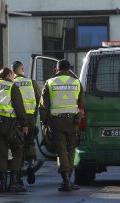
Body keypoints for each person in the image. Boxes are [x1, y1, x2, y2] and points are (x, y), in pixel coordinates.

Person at [39, 59, 84, 191]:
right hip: (73, 122)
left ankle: (65, 179)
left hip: (56, 122)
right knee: (71, 150)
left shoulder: (50, 82)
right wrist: (78, 120)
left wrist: (45, 122)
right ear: (69, 68)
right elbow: (81, 105)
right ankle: (69, 178)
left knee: (61, 151)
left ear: (57, 69)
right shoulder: (77, 82)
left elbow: (43, 106)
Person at [0, 67, 28, 192]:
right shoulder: (12, 87)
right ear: (9, 74)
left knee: (2, 154)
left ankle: (2, 184)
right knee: (17, 150)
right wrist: (24, 124)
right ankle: (13, 182)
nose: (14, 77)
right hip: (10, 124)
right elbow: (19, 108)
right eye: (13, 74)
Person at [12, 61, 41, 185]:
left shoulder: (11, 83)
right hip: (29, 119)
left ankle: (18, 176)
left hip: (16, 119)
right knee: (29, 143)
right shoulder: (31, 82)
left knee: (17, 147)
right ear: (22, 69)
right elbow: (40, 100)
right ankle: (29, 165)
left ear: (13, 72)